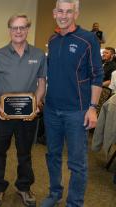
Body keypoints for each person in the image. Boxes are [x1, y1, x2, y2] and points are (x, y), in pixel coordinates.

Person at [41, 1, 103, 206]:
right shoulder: (53, 39)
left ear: (76, 13)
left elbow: (97, 75)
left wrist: (92, 108)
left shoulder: (88, 39)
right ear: (54, 13)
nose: (64, 15)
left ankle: (75, 202)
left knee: (77, 163)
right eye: (60, 11)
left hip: (77, 112)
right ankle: (55, 193)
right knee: (53, 156)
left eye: (69, 11)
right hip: (51, 110)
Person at [0, 14, 46, 207]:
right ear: (9, 30)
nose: (18, 31)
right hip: (2, 114)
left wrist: (36, 106)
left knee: (25, 153)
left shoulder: (38, 55)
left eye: (22, 27)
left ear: (28, 29)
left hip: (28, 117)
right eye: (14, 28)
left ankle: (23, 186)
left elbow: (42, 84)